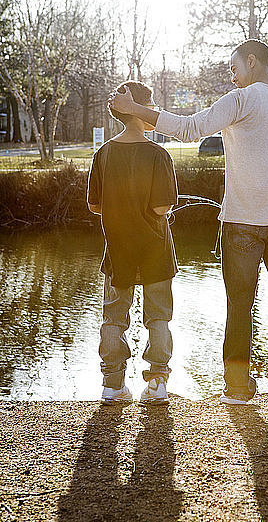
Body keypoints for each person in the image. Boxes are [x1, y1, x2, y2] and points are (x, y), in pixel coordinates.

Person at [109, 40, 268, 407]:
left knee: (240, 305)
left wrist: (133, 109)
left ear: (251, 61)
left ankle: (238, 390)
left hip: (241, 223)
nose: (232, 74)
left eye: (233, 66)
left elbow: (190, 128)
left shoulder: (239, 101)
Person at [87, 80, 178, 406]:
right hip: (155, 249)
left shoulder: (104, 154)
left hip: (118, 248)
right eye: (150, 105)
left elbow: (95, 205)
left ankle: (112, 385)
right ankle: (156, 384)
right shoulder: (158, 154)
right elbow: (161, 207)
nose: (152, 112)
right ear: (138, 109)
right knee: (158, 316)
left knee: (113, 317)